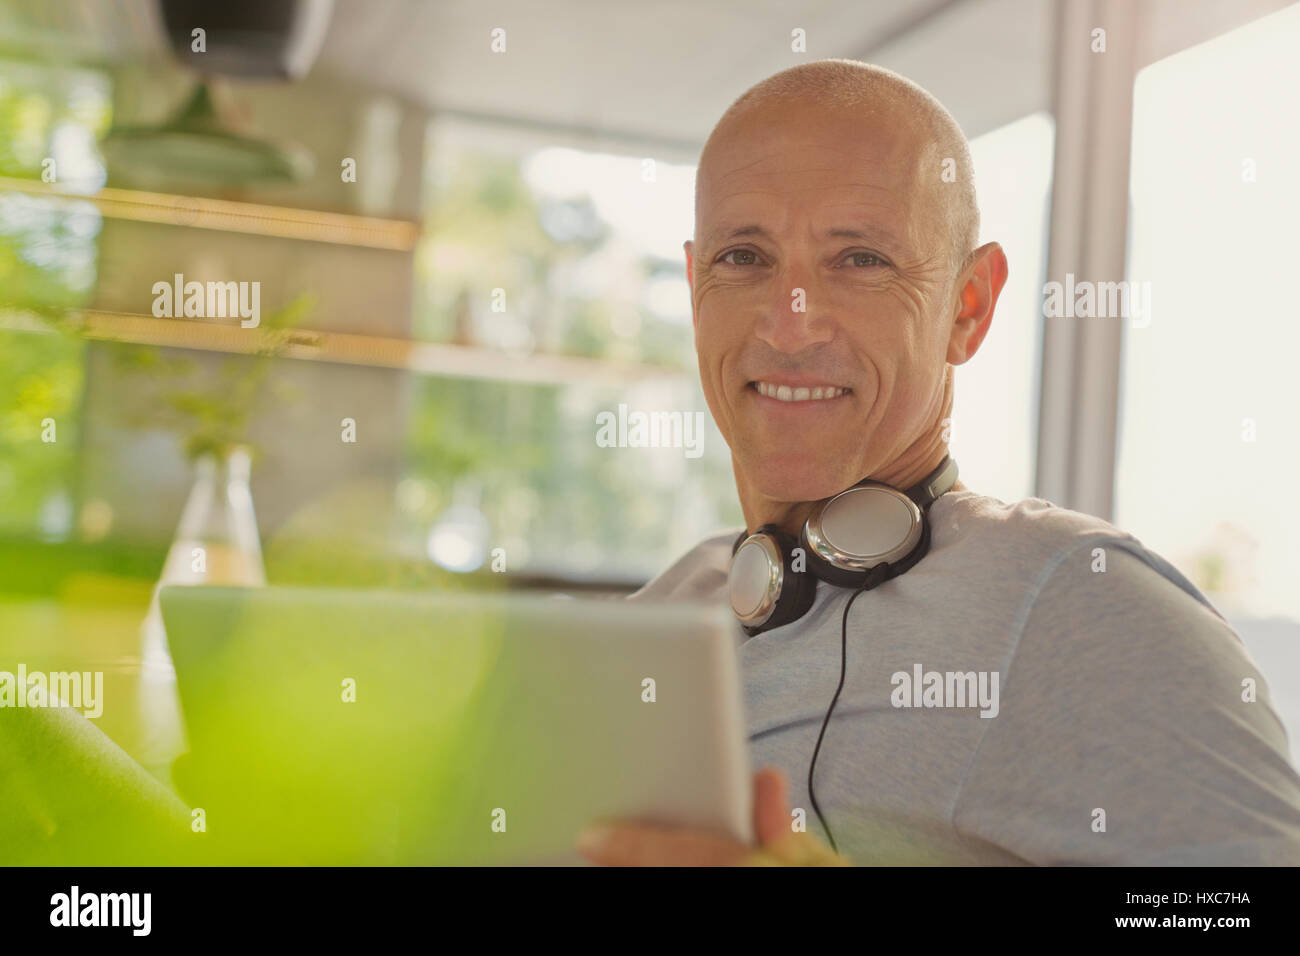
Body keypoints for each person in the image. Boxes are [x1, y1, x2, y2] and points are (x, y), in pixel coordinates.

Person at [577, 58, 1300, 866]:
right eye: (744, 257)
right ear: (693, 288)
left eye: (860, 260)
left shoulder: (1078, 605)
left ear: (969, 306)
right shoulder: (656, 620)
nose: (790, 326)